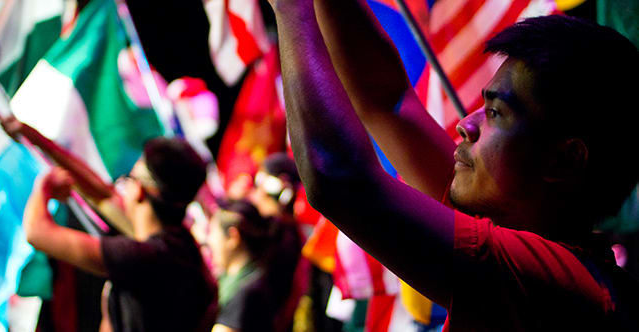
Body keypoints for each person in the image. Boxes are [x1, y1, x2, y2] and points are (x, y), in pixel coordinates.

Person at [267, 0, 639, 329]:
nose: (466, 124)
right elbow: (388, 101)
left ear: (565, 159)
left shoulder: (555, 283)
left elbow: (337, 178)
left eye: (495, 112)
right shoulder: (522, 229)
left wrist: (290, 9)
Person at [22, 136, 217, 332]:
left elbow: (37, 233)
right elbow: (100, 192)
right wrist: (33, 137)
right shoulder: (180, 247)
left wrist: (43, 185)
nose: (120, 188)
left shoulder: (145, 258)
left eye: (128, 179)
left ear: (139, 191)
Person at [207, 199, 295, 332]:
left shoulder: (247, 294)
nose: (209, 240)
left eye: (212, 233)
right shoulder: (243, 278)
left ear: (233, 237)